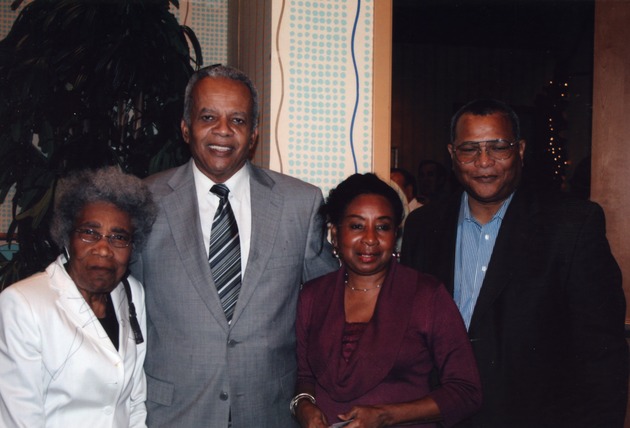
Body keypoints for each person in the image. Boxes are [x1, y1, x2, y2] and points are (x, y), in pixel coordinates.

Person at [131, 64, 338, 427]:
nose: (223, 131)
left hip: (269, 412)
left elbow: (330, 303)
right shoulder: (144, 201)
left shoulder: (300, 204)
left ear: (254, 133)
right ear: (185, 127)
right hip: (174, 414)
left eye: (238, 120)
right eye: (208, 116)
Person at [401, 99, 628, 428]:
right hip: (438, 417)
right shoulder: (423, 226)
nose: (484, 162)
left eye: (498, 147)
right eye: (470, 149)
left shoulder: (571, 225)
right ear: (452, 154)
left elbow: (602, 354)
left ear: (520, 150)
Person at [294, 173, 482, 428]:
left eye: (382, 226)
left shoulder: (426, 295)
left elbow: (465, 392)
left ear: (396, 234)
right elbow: (305, 376)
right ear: (335, 235)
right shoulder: (313, 296)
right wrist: (304, 405)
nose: (370, 239)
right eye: (357, 226)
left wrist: (386, 415)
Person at [0, 166, 157, 427]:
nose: (104, 249)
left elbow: (135, 401)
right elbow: (19, 419)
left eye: (119, 237)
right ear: (66, 237)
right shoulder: (23, 304)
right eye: (90, 233)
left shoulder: (131, 293)